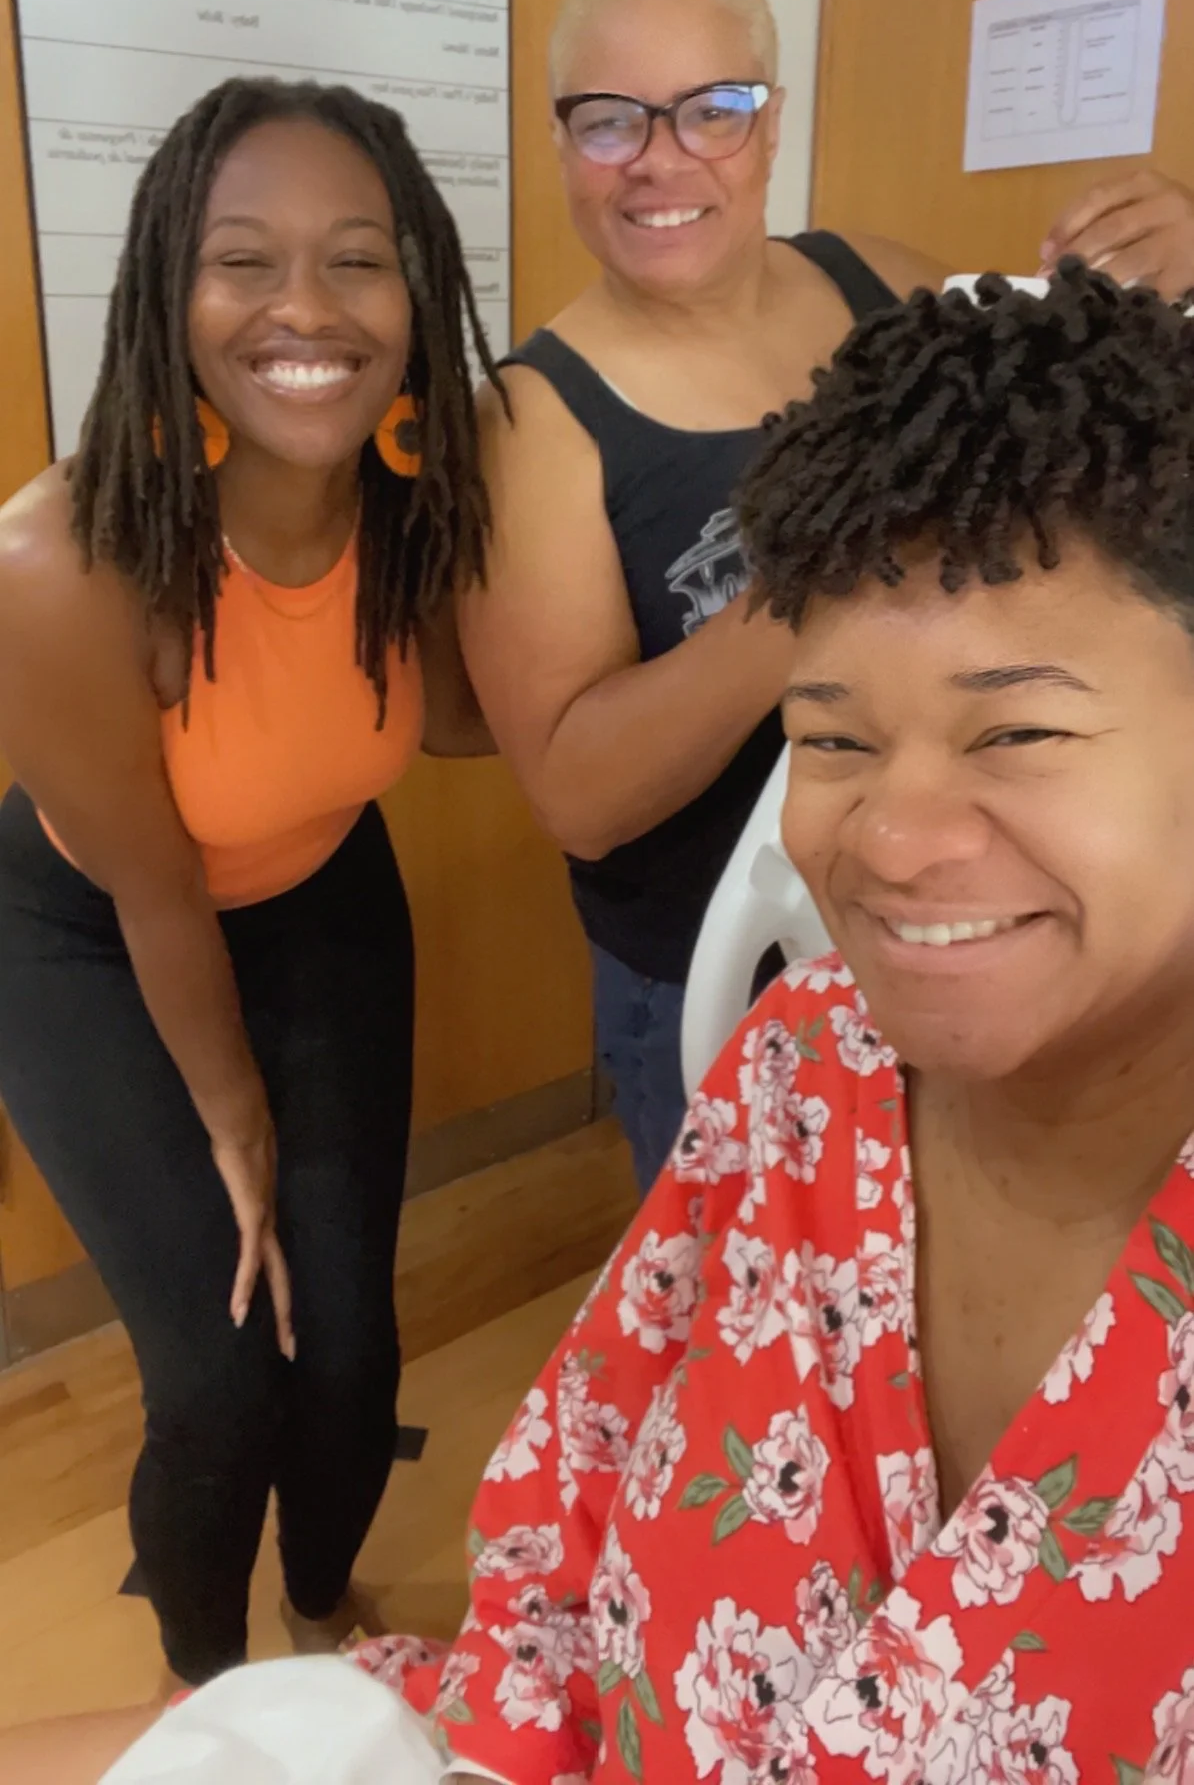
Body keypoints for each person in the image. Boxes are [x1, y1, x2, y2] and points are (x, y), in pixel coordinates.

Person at [21, 256, 1194, 1781]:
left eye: (1016, 729)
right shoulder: (807, 1071)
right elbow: (554, 1581)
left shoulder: (398, 546)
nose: (893, 840)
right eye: (826, 736)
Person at [457, 0, 1194, 1195]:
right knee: (748, 1319)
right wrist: (821, 568)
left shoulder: (880, 285)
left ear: (773, 118)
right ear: (559, 139)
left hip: (952, 895)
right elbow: (580, 797)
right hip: (716, 961)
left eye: (715, 110)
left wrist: (1163, 280)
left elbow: (1087, 453)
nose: (662, 161)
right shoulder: (533, 421)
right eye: (610, 122)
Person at [0, 76, 497, 1692]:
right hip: (88, 928)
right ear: (168, 287)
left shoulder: (420, 501)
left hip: (318, 899)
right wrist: (240, 1126)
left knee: (347, 1350)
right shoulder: (60, 566)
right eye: (245, 260)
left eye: (358, 259)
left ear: (416, 292)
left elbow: (474, 721)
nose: (303, 306)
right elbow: (156, 893)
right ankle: (208, 1681)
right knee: (219, 1367)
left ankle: (321, 1610)